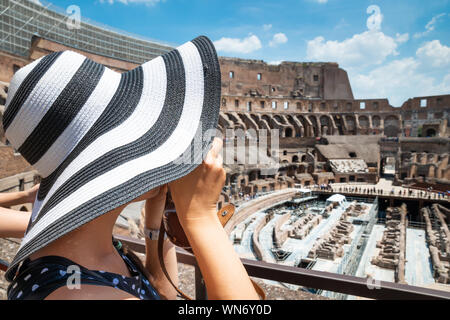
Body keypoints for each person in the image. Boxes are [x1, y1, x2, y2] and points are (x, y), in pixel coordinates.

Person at [3, 36, 259, 300]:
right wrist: (200, 217)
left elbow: (161, 293)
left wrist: (155, 227)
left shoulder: (86, 247)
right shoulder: (82, 294)